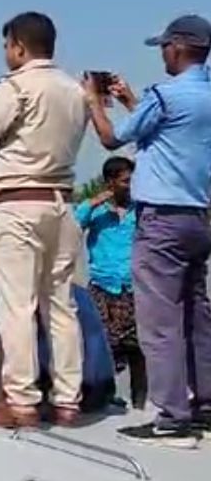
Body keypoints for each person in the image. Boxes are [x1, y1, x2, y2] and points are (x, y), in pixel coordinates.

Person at [83, 14, 211, 447]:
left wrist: (93, 102)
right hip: (199, 217)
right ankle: (204, 405)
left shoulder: (167, 93)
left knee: (159, 323)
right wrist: (130, 99)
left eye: (163, 47)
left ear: (176, 47)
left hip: (160, 220)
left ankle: (172, 418)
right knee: (196, 315)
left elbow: (111, 139)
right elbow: (169, 132)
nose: (161, 54)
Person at [0, 11, 86, 429]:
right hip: (61, 203)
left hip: (18, 203)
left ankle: (21, 400)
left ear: (18, 46)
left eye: (6, 46)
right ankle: (68, 400)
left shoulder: (16, 86)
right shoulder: (73, 91)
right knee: (60, 305)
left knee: (17, 307)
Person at [0, 284, 117, 415]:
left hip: (79, 391)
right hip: (104, 388)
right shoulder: (76, 291)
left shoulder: (29, 295)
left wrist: (3, 396)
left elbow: (9, 346)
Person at [74, 156, 146, 410]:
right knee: (102, 345)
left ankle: (139, 403)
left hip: (133, 286)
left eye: (133, 180)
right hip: (102, 286)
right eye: (126, 181)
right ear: (111, 182)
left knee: (137, 347)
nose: (130, 185)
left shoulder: (140, 210)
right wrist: (94, 202)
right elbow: (71, 227)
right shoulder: (96, 212)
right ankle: (104, 396)